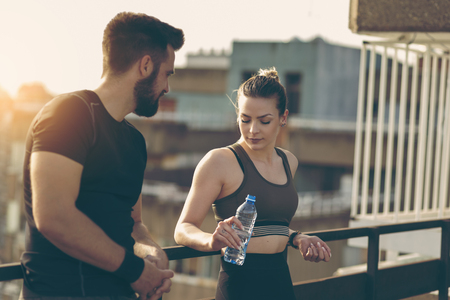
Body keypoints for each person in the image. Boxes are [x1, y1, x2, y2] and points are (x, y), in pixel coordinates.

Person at [20, 12, 184, 300]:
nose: (167, 88)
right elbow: (53, 215)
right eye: (167, 74)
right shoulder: (68, 113)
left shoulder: (134, 141)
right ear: (145, 65)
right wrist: (135, 272)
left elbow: (133, 224)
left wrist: (151, 251)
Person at [174, 67, 332, 300]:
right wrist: (212, 241)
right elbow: (183, 228)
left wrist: (297, 237)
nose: (253, 130)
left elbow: (269, 223)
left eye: (264, 121)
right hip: (239, 288)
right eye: (245, 119)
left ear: (283, 118)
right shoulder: (219, 161)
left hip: (281, 285)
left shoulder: (289, 161)